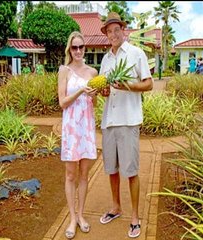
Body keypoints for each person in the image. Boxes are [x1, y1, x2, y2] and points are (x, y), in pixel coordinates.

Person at [98, 12, 153, 238]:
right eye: (109, 31)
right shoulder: (105, 59)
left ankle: (135, 217)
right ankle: (116, 207)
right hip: (109, 121)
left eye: (116, 30)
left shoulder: (136, 53)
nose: (113, 34)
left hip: (128, 121)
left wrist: (128, 86)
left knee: (130, 171)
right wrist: (103, 91)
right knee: (111, 170)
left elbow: (148, 84)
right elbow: (105, 90)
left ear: (123, 30)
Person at [58, 31, 98, 239]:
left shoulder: (93, 72)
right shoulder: (64, 70)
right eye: (74, 47)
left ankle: (81, 215)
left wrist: (94, 95)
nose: (78, 50)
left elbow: (95, 103)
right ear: (69, 49)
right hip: (72, 128)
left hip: (87, 128)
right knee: (70, 175)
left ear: (85, 48)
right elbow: (62, 102)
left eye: (81, 47)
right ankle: (72, 218)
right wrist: (82, 91)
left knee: (84, 175)